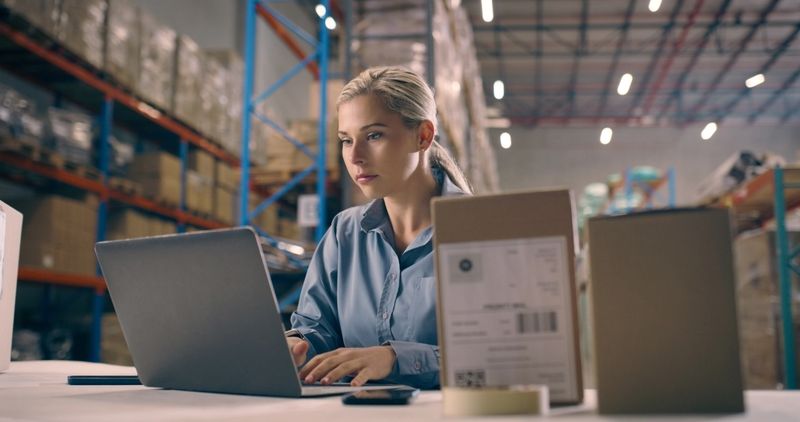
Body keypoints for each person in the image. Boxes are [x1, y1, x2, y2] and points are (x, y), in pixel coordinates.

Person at [284, 66, 472, 390]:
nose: (355, 157)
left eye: (374, 135)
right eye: (346, 140)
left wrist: (394, 359)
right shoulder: (344, 234)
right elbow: (317, 328)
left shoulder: (479, 231)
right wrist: (298, 345)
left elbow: (494, 355)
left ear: (423, 136)